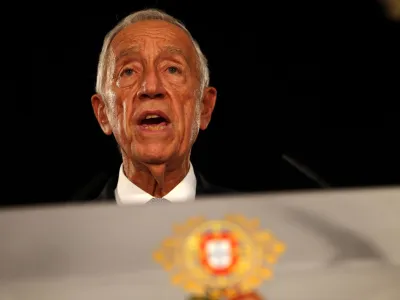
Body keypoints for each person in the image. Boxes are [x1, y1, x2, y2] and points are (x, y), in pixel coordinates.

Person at [78, 8, 233, 204]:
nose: (151, 87)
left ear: (204, 107)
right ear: (103, 113)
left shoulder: (255, 226)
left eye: (172, 69)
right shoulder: (68, 232)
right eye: (128, 71)